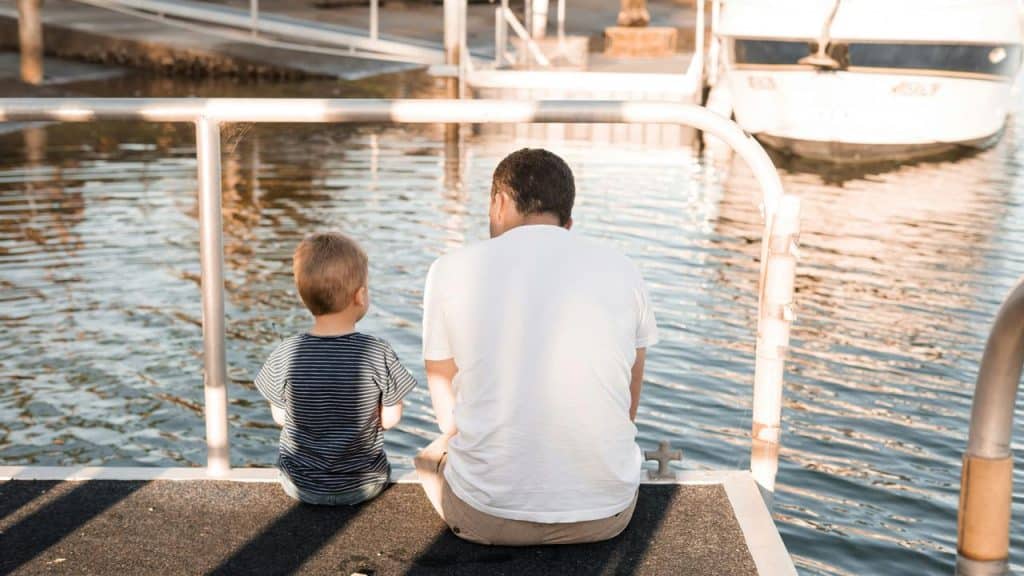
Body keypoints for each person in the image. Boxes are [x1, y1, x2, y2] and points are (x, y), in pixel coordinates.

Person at [415, 148, 658, 545]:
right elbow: (628, 405)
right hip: (607, 515)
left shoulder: (449, 269)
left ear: (498, 203)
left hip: (486, 517)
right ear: (568, 221)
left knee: (433, 452)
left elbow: (447, 414)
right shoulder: (623, 268)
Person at [256, 232, 417, 506]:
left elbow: (280, 417)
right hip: (363, 485)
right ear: (360, 296)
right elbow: (391, 419)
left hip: (300, 484)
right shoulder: (378, 352)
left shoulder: (286, 352)